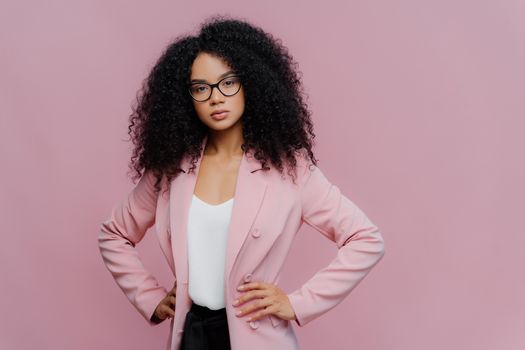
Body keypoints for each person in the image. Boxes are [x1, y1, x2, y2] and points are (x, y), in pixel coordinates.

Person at [98, 15, 386, 350]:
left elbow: (366, 239)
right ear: (186, 98)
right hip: (192, 336)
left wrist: (297, 303)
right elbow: (113, 233)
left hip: (259, 339)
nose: (216, 98)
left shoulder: (290, 169)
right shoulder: (170, 170)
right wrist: (151, 299)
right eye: (201, 88)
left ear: (251, 82)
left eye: (227, 83)